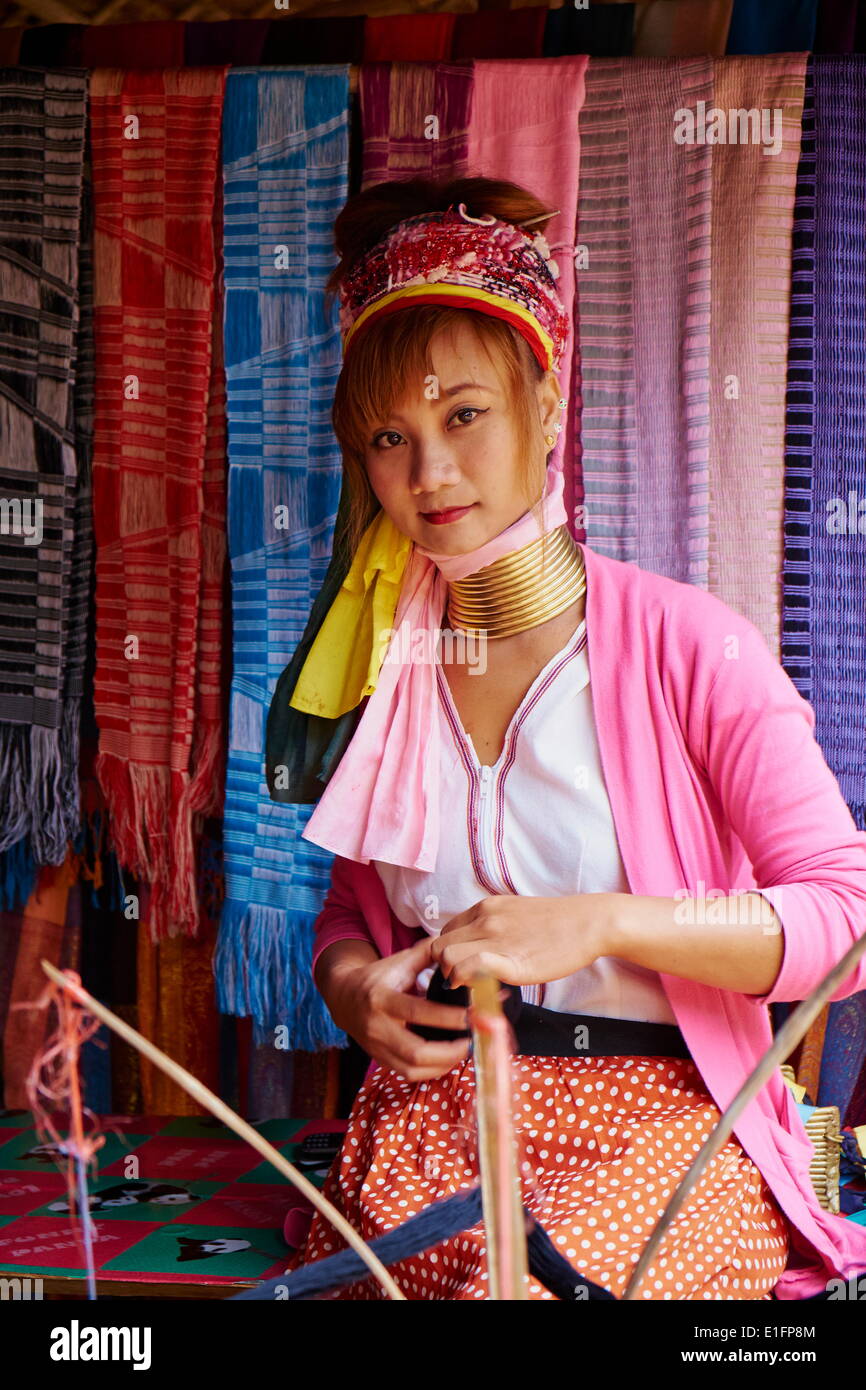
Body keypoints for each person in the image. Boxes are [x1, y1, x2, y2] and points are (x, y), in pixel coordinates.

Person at [266, 175, 866, 1301]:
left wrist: (599, 923)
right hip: (426, 1132)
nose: (429, 473)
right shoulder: (385, 661)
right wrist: (353, 989)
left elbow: (842, 917)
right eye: (389, 437)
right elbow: (354, 908)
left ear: (544, 403)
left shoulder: (690, 646)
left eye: (462, 416)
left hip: (662, 1127)